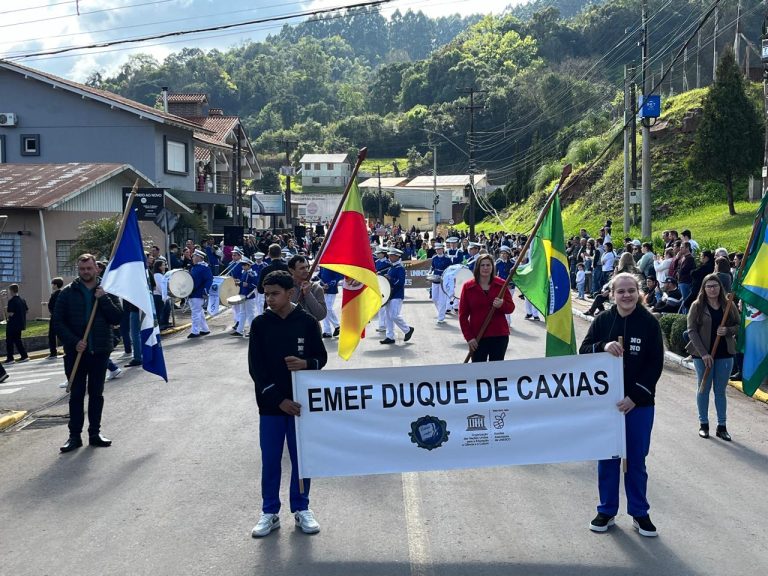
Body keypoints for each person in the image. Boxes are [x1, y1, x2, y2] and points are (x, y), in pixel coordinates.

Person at [580, 272, 664, 538]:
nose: (626, 295)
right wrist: (602, 346)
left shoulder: (649, 323)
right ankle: (606, 510)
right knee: (608, 458)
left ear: (638, 293)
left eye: (631, 291)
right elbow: (583, 351)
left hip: (639, 405)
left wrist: (634, 398)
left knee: (636, 460)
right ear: (612, 294)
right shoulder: (603, 320)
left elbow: (655, 365)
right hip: (606, 405)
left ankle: (639, 513)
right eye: (621, 291)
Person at [248, 270, 328, 538]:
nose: (269, 299)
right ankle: (269, 512)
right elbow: (256, 370)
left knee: (301, 460)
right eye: (266, 293)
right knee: (270, 460)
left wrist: (307, 364)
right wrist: (279, 400)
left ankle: (301, 507)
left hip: (301, 406)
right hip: (272, 407)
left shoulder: (306, 322)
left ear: (290, 293)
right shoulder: (260, 324)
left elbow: (321, 358)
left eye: (275, 293)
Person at [53, 254, 123, 453]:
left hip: (100, 351)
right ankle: (74, 436)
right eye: (82, 269)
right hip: (76, 354)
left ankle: (95, 433)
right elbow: (57, 322)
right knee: (76, 396)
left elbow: (117, 317)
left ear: (96, 269)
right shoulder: (66, 293)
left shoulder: (106, 291)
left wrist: (103, 299)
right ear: (79, 270)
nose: (86, 272)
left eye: (89, 268)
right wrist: (74, 342)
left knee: (96, 394)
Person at [685, 274, 739, 441]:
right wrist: (704, 354)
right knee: (703, 389)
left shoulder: (728, 305)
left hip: (725, 354)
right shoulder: (697, 306)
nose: (712, 289)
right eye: (709, 286)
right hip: (703, 355)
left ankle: (722, 427)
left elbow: (738, 325)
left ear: (720, 287)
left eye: (715, 286)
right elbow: (691, 330)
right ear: (704, 288)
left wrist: (728, 331)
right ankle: (704, 424)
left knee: (720, 391)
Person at [459, 254, 515, 362]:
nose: (485, 268)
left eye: (488, 265)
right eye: (482, 265)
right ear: (477, 267)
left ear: (492, 267)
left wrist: (502, 304)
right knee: (478, 372)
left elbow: (510, 308)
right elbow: (463, 316)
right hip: (477, 337)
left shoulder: (501, 285)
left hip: (499, 336)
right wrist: (469, 337)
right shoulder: (468, 287)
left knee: (496, 372)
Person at [380, 247, 414, 344]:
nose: (390, 257)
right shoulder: (391, 267)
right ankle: (390, 336)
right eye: (389, 255)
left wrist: (390, 278)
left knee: (394, 315)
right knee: (388, 317)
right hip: (390, 295)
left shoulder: (400, 268)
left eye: (392, 256)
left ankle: (407, 329)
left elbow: (400, 282)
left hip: (397, 295)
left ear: (397, 257)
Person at [287, 255, 327, 322]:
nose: (306, 270)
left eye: (307, 267)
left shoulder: (316, 288)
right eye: (302, 268)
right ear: (291, 270)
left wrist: (308, 294)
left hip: (311, 331)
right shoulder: (285, 287)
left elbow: (321, 315)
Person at [188, 249, 213, 338]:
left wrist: (205, 291)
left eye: (194, 256)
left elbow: (209, 280)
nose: (193, 258)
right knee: (199, 312)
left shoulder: (204, 268)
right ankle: (205, 329)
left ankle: (195, 331)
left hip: (198, 293)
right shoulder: (195, 267)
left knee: (196, 313)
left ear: (199, 257)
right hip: (193, 292)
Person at [4, 284, 29, 363]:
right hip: (20, 323)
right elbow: (27, 311)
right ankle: (24, 356)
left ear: (11, 290)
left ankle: (10, 358)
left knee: (9, 341)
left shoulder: (11, 301)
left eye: (9, 290)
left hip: (12, 324)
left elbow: (11, 313)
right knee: (18, 340)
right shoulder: (22, 300)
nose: (9, 292)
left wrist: (6, 313)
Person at [430, 243, 452, 324]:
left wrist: (446, 277)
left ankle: (441, 317)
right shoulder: (434, 258)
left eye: (439, 249)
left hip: (443, 279)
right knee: (434, 298)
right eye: (437, 249)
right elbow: (432, 267)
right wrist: (430, 273)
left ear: (443, 249)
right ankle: (441, 311)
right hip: (435, 279)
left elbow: (450, 270)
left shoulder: (447, 259)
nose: (438, 250)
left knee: (442, 299)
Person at [318, 266, 343, 338]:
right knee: (323, 309)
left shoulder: (332, 265)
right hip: (323, 289)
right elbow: (319, 275)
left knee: (328, 308)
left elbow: (339, 277)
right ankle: (327, 331)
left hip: (331, 290)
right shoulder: (322, 265)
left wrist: (329, 285)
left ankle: (337, 326)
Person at [47, 277, 64, 359]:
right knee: (61, 334)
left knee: (52, 335)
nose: (52, 286)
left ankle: (53, 352)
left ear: (56, 285)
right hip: (61, 317)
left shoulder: (55, 294)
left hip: (55, 317)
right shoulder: (63, 293)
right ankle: (66, 349)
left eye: (53, 284)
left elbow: (51, 306)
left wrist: (52, 312)